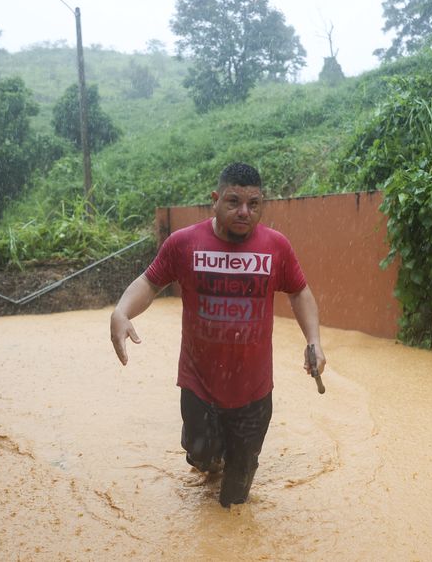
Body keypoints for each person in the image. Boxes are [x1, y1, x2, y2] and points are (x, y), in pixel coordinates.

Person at [110, 162, 326, 507]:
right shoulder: (184, 243)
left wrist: (313, 341)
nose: (244, 212)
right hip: (200, 387)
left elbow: (300, 292)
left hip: (254, 394)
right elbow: (150, 282)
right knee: (202, 457)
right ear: (215, 199)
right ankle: (208, 455)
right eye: (233, 202)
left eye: (253, 204)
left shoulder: (276, 247)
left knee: (235, 502)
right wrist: (122, 312)